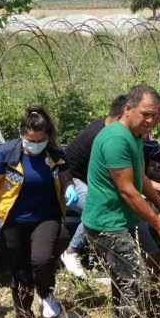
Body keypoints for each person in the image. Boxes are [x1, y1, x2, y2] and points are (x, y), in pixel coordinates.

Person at [82, 84, 160, 318]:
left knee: (124, 278)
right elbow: (127, 190)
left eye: (155, 116)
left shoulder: (135, 136)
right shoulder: (116, 138)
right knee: (136, 279)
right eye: (145, 114)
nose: (150, 121)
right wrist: (159, 225)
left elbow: (141, 177)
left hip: (121, 220)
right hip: (106, 223)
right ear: (128, 109)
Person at [0, 106, 79, 318]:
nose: (35, 144)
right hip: (11, 220)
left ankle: (45, 294)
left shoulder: (54, 153)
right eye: (30, 139)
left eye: (41, 139)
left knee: (41, 260)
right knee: (20, 271)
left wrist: (70, 187)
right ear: (22, 133)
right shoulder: (4, 155)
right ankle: (25, 317)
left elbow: (65, 178)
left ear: (48, 136)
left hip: (46, 216)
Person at [60, 94, 127, 278]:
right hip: (68, 180)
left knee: (106, 211)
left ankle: (98, 265)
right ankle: (71, 252)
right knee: (98, 208)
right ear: (121, 114)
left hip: (81, 179)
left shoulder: (103, 127)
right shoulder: (101, 134)